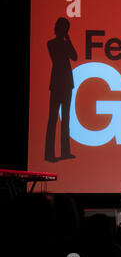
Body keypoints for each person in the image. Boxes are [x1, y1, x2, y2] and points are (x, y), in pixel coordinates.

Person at [45, 17, 77, 162]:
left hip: (67, 84)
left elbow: (75, 56)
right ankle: (49, 154)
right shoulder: (51, 43)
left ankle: (65, 152)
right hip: (58, 83)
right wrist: (66, 40)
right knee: (53, 119)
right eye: (63, 29)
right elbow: (64, 56)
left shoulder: (64, 43)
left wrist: (68, 39)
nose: (64, 32)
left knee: (66, 118)